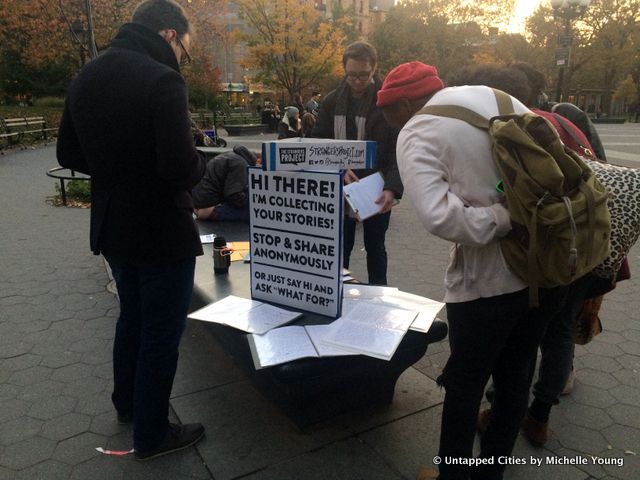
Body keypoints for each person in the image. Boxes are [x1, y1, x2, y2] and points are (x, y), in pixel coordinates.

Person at [377, 61, 565, 480]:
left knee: (465, 384)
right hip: (548, 269)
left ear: (403, 104)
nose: (388, 124)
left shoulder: (417, 129)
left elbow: (439, 217)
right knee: (516, 376)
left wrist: (502, 218)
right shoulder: (496, 97)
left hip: (488, 283)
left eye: (388, 114)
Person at [56, 0, 206, 461]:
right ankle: (153, 434)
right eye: (185, 47)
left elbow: (67, 152)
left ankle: (127, 405)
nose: (183, 57)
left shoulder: (88, 74)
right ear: (168, 35)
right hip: (161, 230)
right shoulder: (163, 80)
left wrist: (112, 171)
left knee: (133, 318)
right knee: (161, 333)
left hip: (113, 227)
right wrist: (200, 160)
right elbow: (180, 168)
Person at [311, 41, 402, 285]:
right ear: (344, 69)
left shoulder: (387, 104)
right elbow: (318, 144)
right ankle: (339, 297)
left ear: (374, 69)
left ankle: (378, 298)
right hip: (339, 187)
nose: (358, 81)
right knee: (339, 249)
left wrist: (392, 188)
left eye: (364, 75)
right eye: (352, 75)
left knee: (376, 248)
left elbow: (397, 149)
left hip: (376, 188)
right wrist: (338, 169)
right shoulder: (331, 102)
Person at [192, 146, 257, 222]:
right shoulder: (241, 164)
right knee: (251, 210)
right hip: (208, 201)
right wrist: (251, 201)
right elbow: (233, 195)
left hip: (200, 196)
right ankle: (212, 212)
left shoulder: (230, 155)